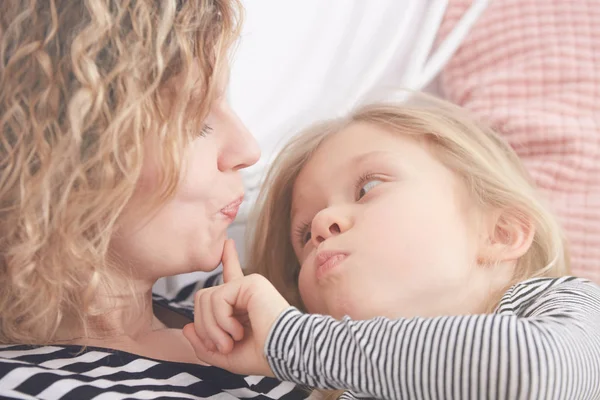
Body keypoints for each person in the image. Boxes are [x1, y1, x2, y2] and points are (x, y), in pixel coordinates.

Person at [182, 97, 600, 400]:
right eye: (305, 235)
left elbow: (532, 372)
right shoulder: (329, 386)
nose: (325, 226)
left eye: (368, 188)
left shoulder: (567, 307)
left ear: (501, 233)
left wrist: (287, 340)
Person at [0, 1, 309, 398]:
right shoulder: (27, 387)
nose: (248, 148)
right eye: (196, 122)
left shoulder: (231, 303)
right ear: (67, 159)